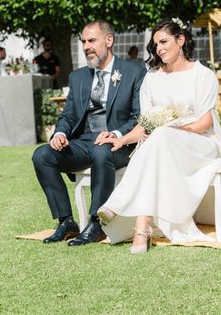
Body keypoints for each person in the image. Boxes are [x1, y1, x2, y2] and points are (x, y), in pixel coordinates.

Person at [96, 18, 221, 253]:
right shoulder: (152, 78)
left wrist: (173, 131)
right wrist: (123, 139)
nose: (159, 48)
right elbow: (144, 125)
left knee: (160, 138)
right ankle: (142, 224)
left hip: (201, 144)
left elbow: (206, 122)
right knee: (158, 140)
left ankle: (117, 205)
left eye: (164, 42)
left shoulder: (202, 75)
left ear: (181, 40)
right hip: (162, 145)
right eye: (155, 44)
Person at [32, 21, 146, 246]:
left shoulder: (133, 72)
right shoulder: (78, 77)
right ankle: (66, 221)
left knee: (101, 151)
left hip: (118, 144)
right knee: (42, 156)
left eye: (91, 40)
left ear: (109, 41)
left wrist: (114, 133)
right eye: (83, 41)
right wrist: (60, 134)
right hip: (83, 142)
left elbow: (138, 116)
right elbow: (69, 115)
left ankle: (96, 223)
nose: (86, 46)